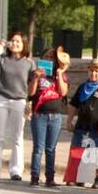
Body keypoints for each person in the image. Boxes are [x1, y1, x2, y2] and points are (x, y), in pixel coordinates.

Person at [0, 32, 34, 180]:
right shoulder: (3, 60)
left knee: (17, 136)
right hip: (1, 98)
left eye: (18, 41)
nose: (14, 44)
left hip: (20, 100)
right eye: (12, 41)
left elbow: (32, 84)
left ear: (24, 44)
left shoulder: (29, 63)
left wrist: (29, 103)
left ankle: (16, 170)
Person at [66, 58, 98, 188]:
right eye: (92, 71)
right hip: (82, 125)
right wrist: (69, 120)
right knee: (78, 150)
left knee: (97, 152)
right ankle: (78, 176)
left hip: (97, 127)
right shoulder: (82, 87)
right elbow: (73, 105)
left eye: (97, 71)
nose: (94, 74)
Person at [28, 47, 68, 186]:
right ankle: (34, 176)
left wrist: (59, 74)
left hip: (55, 115)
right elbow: (31, 93)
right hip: (40, 114)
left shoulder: (60, 74)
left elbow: (63, 92)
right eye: (46, 57)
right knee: (38, 147)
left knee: (51, 148)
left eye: (52, 57)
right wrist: (36, 78)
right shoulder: (36, 73)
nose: (49, 60)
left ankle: (50, 177)